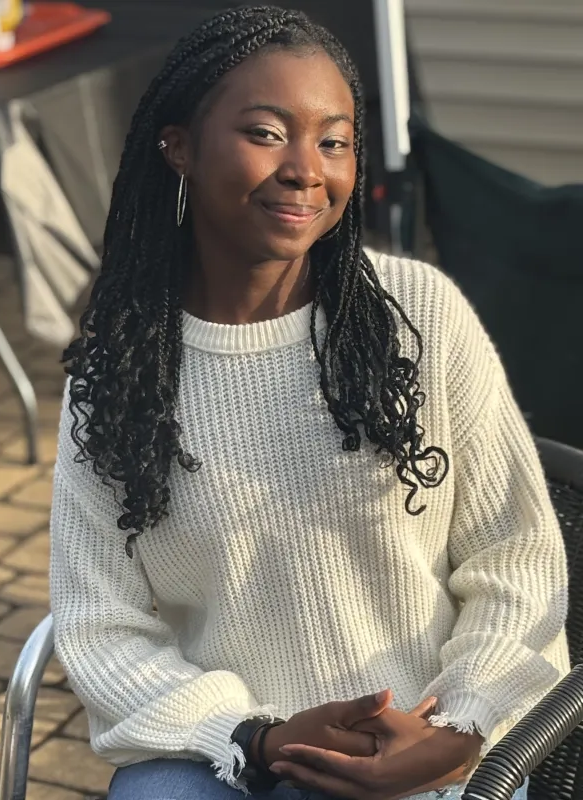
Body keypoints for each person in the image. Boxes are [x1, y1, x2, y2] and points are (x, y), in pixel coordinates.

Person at [49, 6, 570, 799]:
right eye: (265, 133)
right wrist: (256, 737)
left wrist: (458, 731)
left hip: (423, 742)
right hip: (225, 748)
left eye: (334, 141)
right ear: (178, 146)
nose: (306, 169)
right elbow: (101, 623)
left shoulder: (417, 316)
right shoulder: (120, 366)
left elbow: (516, 562)